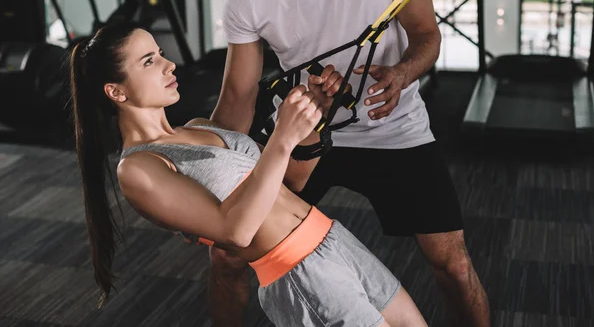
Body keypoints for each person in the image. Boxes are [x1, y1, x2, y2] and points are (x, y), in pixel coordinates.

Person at [209, 0, 491, 326]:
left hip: (392, 130)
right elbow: (237, 98)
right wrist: (210, 178)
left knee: (454, 268)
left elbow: (426, 34)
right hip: (306, 135)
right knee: (225, 254)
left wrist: (403, 73)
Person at [69, 22, 429, 327]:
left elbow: (290, 184)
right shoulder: (137, 167)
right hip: (300, 272)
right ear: (116, 91)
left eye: (162, 53)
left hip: (335, 240)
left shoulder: (197, 126)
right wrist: (281, 139)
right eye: (150, 61)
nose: (169, 65)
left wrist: (312, 119)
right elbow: (235, 232)